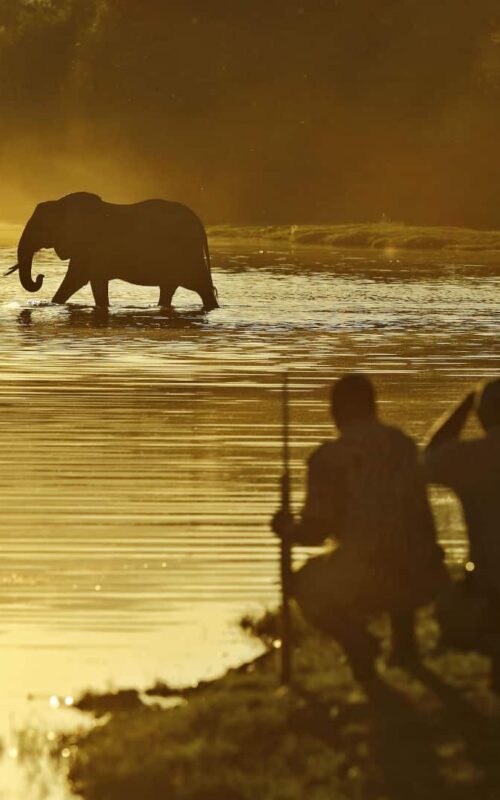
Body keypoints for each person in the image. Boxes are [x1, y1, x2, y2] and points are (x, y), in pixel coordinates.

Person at [272, 373, 446, 683]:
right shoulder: (404, 445)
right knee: (397, 543)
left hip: (370, 578)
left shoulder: (330, 459)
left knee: (297, 582)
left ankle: (358, 644)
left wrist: (286, 528)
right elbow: (417, 518)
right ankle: (405, 646)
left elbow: (314, 532)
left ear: (335, 411)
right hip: (424, 575)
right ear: (374, 407)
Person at [425, 379, 500, 689]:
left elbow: (429, 458)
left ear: (481, 418)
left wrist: (465, 404)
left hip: (490, 583)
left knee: (450, 612)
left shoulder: (473, 458)